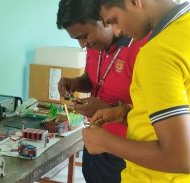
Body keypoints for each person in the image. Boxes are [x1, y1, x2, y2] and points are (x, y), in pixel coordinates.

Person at [83, 0, 190, 182]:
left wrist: (104, 142)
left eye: (114, 21)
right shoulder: (189, 31)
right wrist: (127, 114)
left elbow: (181, 158)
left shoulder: (157, 53)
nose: (118, 32)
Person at [56, 0, 148, 182]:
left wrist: (106, 107)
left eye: (84, 36)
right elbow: (92, 79)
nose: (83, 45)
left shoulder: (141, 47)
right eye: (77, 40)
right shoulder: (95, 46)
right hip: (95, 143)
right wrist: (75, 83)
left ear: (104, 19)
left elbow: (150, 113)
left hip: (126, 150)